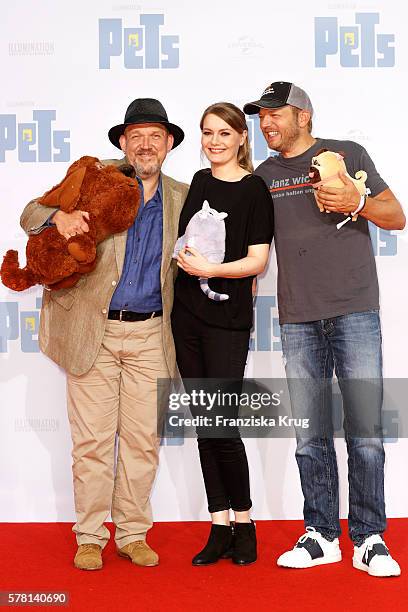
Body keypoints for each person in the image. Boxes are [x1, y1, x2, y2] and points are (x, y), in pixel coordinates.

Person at [243, 81, 405, 577]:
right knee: (310, 434)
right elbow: (256, 251)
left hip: (355, 310)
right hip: (297, 317)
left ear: (303, 116)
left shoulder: (347, 153)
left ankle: (370, 537)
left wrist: (355, 201)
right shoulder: (265, 176)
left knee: (365, 432)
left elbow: (395, 217)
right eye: (261, 116)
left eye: (275, 114)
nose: (266, 123)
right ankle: (321, 534)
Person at [20, 98, 189, 570]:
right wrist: (58, 218)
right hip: (92, 331)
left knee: (142, 442)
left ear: (170, 143)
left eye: (155, 135)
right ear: (122, 142)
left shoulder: (184, 195)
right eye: (136, 135)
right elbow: (30, 212)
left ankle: (132, 532)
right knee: (92, 442)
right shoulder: (97, 180)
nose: (145, 144)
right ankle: (90, 536)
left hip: (152, 336)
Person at [171, 102, 273, 566]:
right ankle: (219, 522)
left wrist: (211, 269)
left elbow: (257, 261)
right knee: (203, 426)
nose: (214, 141)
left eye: (223, 133)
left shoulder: (255, 190)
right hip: (186, 316)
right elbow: (185, 240)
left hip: (227, 321)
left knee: (222, 425)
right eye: (207, 132)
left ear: (240, 139)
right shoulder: (198, 182)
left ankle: (245, 522)